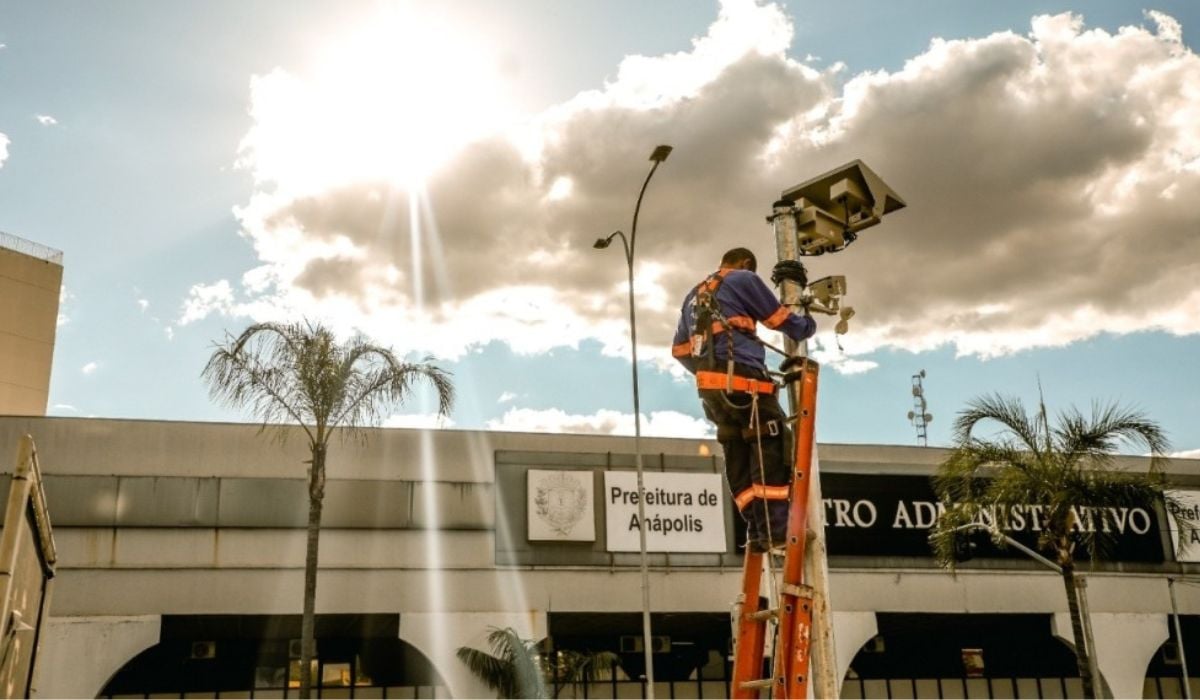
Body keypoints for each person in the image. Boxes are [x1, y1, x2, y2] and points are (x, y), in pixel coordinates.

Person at [671, 247, 816, 552]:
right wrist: (807, 325)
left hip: (712, 392)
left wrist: (710, 370)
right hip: (745, 383)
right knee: (769, 446)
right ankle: (775, 531)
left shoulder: (693, 296)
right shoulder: (743, 279)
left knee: (738, 453)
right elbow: (780, 320)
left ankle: (756, 531)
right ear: (747, 263)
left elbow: (680, 351)